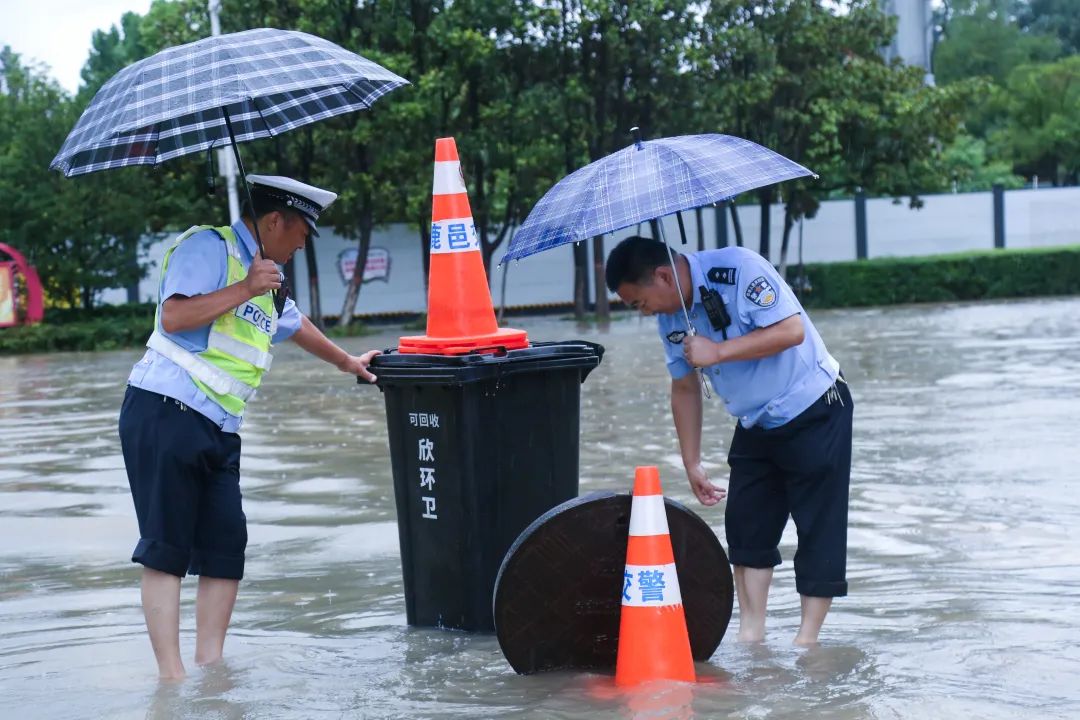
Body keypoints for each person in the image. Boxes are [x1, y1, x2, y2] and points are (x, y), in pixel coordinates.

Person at [118, 174, 380, 680]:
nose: (304, 242)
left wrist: (349, 362)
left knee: (226, 544)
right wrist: (244, 287)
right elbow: (173, 317)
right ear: (275, 220)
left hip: (219, 425)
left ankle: (211, 674)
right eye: (302, 230)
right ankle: (171, 685)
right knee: (166, 547)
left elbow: (296, 326)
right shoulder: (208, 246)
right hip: (164, 409)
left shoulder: (270, 278)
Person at [606, 235, 853, 646]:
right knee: (745, 526)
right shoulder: (671, 320)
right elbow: (684, 388)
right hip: (756, 422)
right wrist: (692, 461)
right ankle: (751, 638)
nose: (643, 312)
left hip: (814, 406)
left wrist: (717, 352)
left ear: (663, 276)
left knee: (818, 528)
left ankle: (806, 644)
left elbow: (791, 330)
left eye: (640, 302)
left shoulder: (738, 270)